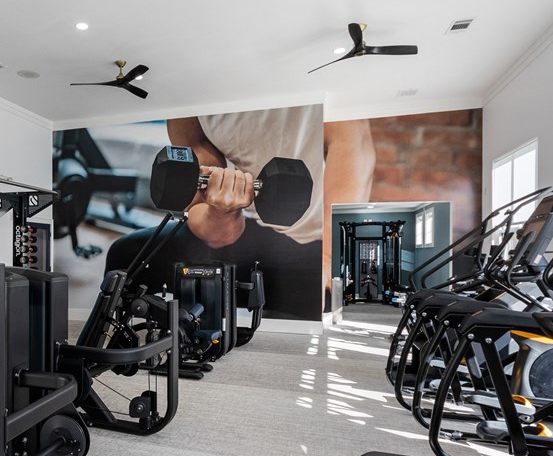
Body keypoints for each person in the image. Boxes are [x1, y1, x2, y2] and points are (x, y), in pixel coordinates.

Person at [105, 105, 376, 319]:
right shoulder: (189, 101)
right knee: (128, 254)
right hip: (261, 225)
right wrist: (222, 210)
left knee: (329, 298)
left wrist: (331, 256)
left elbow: (354, 145)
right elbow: (211, 226)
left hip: (326, 236)